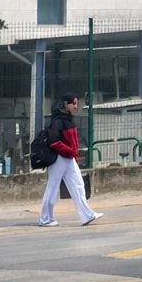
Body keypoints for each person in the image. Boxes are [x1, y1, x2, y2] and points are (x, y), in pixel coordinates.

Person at [38, 93, 103, 227]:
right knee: (53, 188)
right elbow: (53, 142)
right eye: (73, 103)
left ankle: (87, 215)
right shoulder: (58, 121)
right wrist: (70, 151)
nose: (75, 106)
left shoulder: (67, 119)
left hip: (68, 158)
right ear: (65, 104)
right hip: (59, 158)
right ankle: (45, 218)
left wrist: (72, 154)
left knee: (78, 184)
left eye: (76, 103)